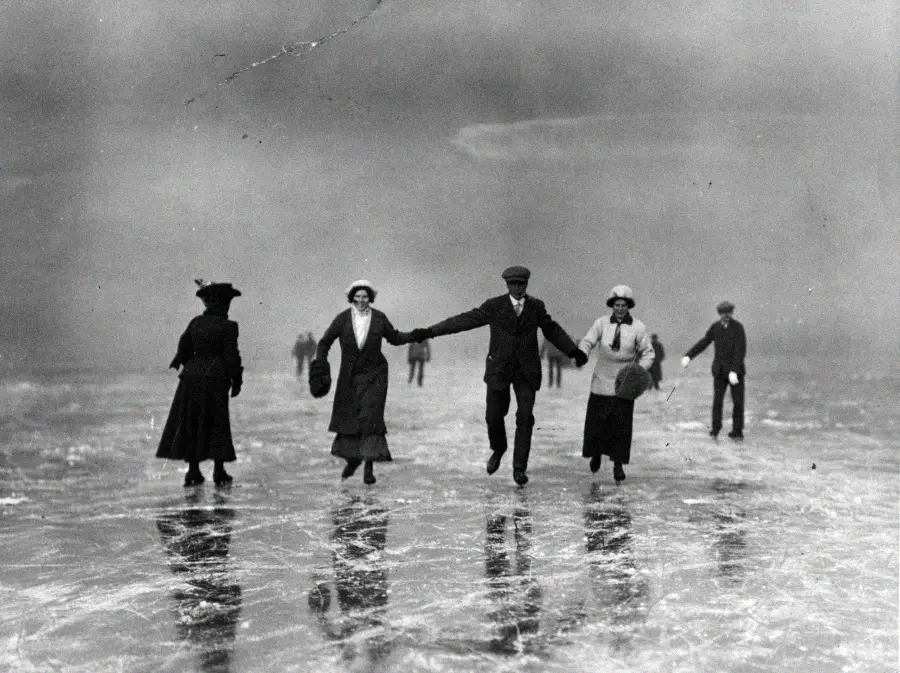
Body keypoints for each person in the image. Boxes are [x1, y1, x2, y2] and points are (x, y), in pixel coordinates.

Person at [409, 266, 587, 486]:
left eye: (521, 283)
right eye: (513, 283)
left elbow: (553, 330)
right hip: (499, 370)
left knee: (525, 417)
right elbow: (464, 321)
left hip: (526, 371)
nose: (517, 288)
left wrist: (573, 351)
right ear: (507, 285)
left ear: (526, 284)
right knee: (493, 416)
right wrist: (430, 332)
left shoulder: (536, 307)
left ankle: (519, 468)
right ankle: (499, 448)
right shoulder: (494, 306)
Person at [312, 280, 414, 485]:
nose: (361, 300)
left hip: (375, 375)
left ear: (370, 298)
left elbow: (394, 337)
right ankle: (353, 461)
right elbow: (324, 342)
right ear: (352, 298)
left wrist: (417, 335)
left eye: (365, 297)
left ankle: (369, 467)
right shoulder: (342, 319)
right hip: (349, 377)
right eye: (357, 297)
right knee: (350, 419)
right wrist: (321, 365)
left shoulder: (379, 318)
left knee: (371, 419)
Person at [157, 281, 243, 487]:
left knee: (192, 422)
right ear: (222, 304)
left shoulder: (195, 323)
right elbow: (232, 356)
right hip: (216, 379)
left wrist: (192, 366)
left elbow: (183, 348)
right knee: (217, 423)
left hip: (191, 378)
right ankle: (219, 471)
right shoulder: (229, 326)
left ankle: (193, 470)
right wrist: (237, 379)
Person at [576, 285, 655, 483]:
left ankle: (618, 464)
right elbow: (587, 342)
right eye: (617, 305)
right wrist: (582, 353)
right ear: (612, 305)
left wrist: (638, 371)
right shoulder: (601, 323)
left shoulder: (638, 327)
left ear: (629, 306)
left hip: (625, 383)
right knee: (598, 422)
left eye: (624, 305)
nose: (620, 308)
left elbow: (648, 353)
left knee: (621, 425)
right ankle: (595, 454)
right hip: (602, 378)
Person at [681, 300, 747, 440]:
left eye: (729, 312)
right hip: (719, 372)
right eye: (723, 312)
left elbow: (740, 350)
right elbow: (704, 342)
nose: (726, 315)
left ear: (732, 312)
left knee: (738, 402)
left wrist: (734, 371)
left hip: (736, 373)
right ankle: (715, 430)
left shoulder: (738, 328)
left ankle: (737, 431)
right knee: (717, 402)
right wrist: (688, 356)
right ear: (719, 314)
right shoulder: (715, 327)